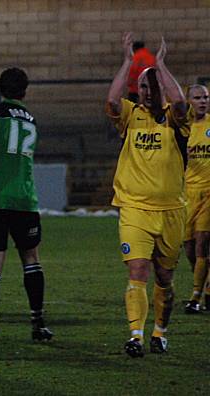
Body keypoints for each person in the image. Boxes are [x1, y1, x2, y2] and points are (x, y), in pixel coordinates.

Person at [105, 32, 191, 357]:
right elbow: (112, 102)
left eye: (150, 86)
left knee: (165, 278)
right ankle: (136, 336)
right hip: (134, 209)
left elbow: (180, 102)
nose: (145, 91)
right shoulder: (130, 116)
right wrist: (128, 62)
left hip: (171, 210)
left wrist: (161, 65)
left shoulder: (174, 119)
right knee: (137, 270)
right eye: (141, 86)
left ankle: (160, 330)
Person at [0, 67, 52, 346]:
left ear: (0, 88)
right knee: (31, 259)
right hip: (25, 198)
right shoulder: (32, 120)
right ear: (24, 91)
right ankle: (38, 322)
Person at [183, 84, 210, 314]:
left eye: (206, 97)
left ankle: (195, 297)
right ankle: (204, 286)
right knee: (190, 249)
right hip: (187, 194)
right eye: (198, 98)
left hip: (209, 192)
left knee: (202, 243)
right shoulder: (184, 127)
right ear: (188, 100)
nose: (203, 101)